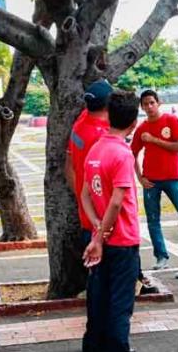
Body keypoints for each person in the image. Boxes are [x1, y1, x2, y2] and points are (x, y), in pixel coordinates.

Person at [67, 80, 158, 295]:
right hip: (109, 220)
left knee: (100, 274)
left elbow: (68, 165)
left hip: (89, 208)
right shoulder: (105, 140)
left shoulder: (79, 125)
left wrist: (83, 198)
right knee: (115, 286)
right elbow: (116, 198)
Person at [81, 90, 141, 352]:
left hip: (102, 239)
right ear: (134, 123)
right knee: (119, 308)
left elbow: (84, 194)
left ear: (108, 116)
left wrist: (97, 228)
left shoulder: (96, 148)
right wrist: (100, 235)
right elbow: (117, 201)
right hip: (122, 241)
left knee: (98, 305)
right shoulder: (122, 154)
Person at [131, 90, 178, 270]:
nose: (149, 107)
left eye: (151, 103)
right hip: (151, 180)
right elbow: (131, 154)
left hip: (172, 178)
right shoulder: (141, 129)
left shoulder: (171, 120)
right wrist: (140, 178)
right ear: (141, 107)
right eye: (145, 104)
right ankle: (161, 256)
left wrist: (154, 140)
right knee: (153, 219)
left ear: (159, 103)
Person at [66, 79, 112, 249]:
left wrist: (80, 195)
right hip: (102, 217)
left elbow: (68, 164)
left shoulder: (81, 121)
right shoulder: (103, 137)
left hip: (87, 213)